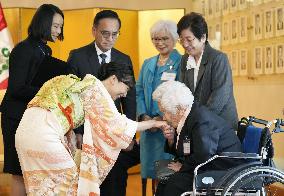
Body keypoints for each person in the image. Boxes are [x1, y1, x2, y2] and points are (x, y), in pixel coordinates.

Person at [15, 62, 167, 195]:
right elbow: (119, 126)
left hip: (24, 132)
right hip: (45, 136)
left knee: (43, 188)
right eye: (125, 88)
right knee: (69, 187)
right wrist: (153, 123)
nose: (125, 94)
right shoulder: (96, 89)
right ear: (114, 79)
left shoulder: (81, 83)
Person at [67, 10, 138, 196]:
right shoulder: (78, 56)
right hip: (88, 131)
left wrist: (128, 134)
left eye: (115, 34)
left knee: (116, 180)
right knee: (90, 182)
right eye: (105, 33)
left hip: (112, 132)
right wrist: (79, 131)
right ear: (94, 31)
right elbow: (72, 98)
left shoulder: (124, 59)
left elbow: (129, 99)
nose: (110, 38)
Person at [0, 4, 64, 195]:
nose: (58, 30)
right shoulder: (23, 49)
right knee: (19, 171)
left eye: (60, 26)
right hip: (16, 118)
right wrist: (49, 92)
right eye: (55, 26)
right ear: (43, 23)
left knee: (32, 170)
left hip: (32, 118)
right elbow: (17, 88)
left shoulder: (45, 50)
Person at [152, 81, 242, 196]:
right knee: (164, 183)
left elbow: (204, 154)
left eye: (165, 112)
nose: (164, 117)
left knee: (174, 183)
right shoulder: (190, 115)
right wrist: (171, 139)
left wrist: (183, 167)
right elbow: (186, 149)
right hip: (208, 164)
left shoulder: (201, 119)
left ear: (179, 109)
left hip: (222, 168)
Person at [136, 20, 181, 191]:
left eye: (164, 38)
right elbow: (139, 90)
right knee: (150, 171)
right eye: (155, 39)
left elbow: (180, 94)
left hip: (167, 127)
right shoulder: (148, 63)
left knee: (165, 175)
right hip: (148, 127)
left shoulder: (180, 62)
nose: (160, 43)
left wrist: (161, 118)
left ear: (174, 38)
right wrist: (144, 116)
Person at [177, 12, 238, 130]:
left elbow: (220, 96)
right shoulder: (185, 60)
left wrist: (198, 120)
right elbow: (182, 92)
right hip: (197, 126)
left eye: (189, 40)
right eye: (181, 40)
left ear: (203, 37)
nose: (185, 44)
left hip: (220, 126)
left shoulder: (218, 59)